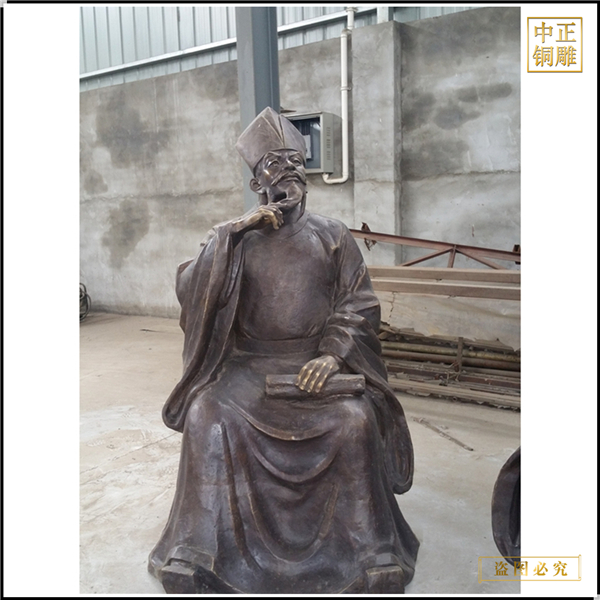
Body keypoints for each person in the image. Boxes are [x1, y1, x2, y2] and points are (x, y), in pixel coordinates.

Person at [148, 107, 419, 594]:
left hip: (314, 364)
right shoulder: (233, 237)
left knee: (354, 420)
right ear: (258, 183)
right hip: (246, 368)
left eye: (295, 162)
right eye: (274, 164)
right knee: (208, 414)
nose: (288, 172)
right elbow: (191, 290)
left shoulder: (332, 235)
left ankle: (370, 549)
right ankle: (198, 548)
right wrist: (234, 235)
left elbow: (358, 303)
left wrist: (332, 355)